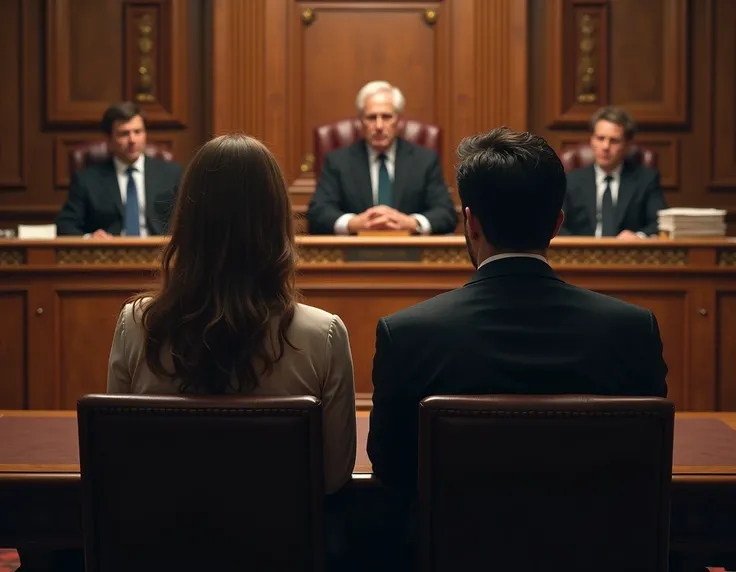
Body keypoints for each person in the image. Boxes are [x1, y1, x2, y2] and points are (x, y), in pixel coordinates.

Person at [368, 127, 668, 492]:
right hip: (593, 548)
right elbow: (647, 470)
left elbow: (389, 469)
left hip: (454, 548)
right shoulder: (634, 331)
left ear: (471, 222)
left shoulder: (406, 336)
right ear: (558, 224)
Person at [106, 134, 357, 495]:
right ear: (277, 223)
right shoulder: (323, 334)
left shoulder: (136, 324)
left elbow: (117, 461)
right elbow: (333, 477)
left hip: (162, 547)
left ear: (188, 222)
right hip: (281, 548)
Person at [306, 81, 457, 235]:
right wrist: (353, 223)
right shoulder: (338, 161)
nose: (379, 126)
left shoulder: (425, 160)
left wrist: (411, 223)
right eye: (371, 117)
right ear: (361, 121)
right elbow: (318, 212)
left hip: (410, 252)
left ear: (398, 120)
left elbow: (446, 213)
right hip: (355, 252)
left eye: (386, 117)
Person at [55, 102, 183, 238]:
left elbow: (189, 219)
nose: (132, 139)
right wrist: (90, 238)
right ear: (109, 139)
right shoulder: (87, 179)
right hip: (108, 254)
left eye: (138, 132)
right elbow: (65, 225)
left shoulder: (171, 174)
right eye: (124, 134)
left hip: (158, 252)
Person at [560, 106, 668, 238]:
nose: (605, 147)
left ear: (627, 145)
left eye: (614, 141)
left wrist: (638, 236)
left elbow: (660, 223)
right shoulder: (571, 182)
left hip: (629, 255)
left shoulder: (646, 179)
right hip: (581, 255)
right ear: (592, 140)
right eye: (600, 138)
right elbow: (557, 225)